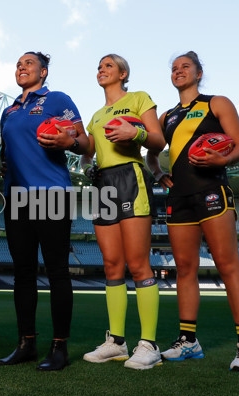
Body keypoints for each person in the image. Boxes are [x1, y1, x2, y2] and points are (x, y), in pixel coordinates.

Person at [146, 51, 239, 372]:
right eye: (174, 68)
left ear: (198, 73)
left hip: (212, 193)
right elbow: (151, 154)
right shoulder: (166, 116)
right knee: (184, 269)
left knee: (227, 265)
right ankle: (188, 342)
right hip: (179, 198)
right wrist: (158, 174)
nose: (178, 71)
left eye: (185, 66)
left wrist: (220, 160)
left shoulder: (216, 103)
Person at [0, 52, 89, 371]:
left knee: (56, 271)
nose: (21, 66)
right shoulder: (8, 112)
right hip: (17, 198)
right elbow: (5, 156)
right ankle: (26, 344)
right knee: (23, 274)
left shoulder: (57, 99)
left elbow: (86, 143)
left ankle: (59, 348)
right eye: (18, 63)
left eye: (29, 63)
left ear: (43, 71)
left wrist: (68, 141)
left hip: (51, 194)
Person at [79, 54, 166, 370]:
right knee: (112, 264)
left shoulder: (139, 99)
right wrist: (78, 154)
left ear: (123, 73)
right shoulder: (96, 116)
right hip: (103, 184)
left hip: (130, 176)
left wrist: (136, 134)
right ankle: (116, 342)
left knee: (138, 264)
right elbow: (88, 152)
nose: (101, 69)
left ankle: (149, 345)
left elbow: (158, 140)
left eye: (108, 65)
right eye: (99, 66)